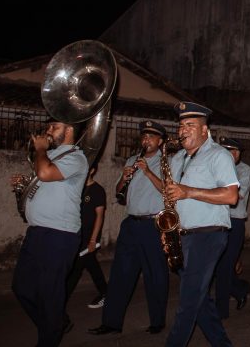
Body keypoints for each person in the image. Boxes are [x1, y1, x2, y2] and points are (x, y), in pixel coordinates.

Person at [163, 101, 239, 347]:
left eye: (190, 125)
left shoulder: (219, 155)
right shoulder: (177, 160)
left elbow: (231, 196)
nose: (183, 130)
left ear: (205, 130)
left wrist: (189, 191)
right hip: (183, 236)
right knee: (199, 299)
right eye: (181, 125)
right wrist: (168, 231)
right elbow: (173, 198)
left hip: (208, 235)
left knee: (188, 301)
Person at [10, 117, 89, 347]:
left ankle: (49, 336)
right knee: (21, 287)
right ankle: (57, 323)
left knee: (49, 296)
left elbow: (45, 174)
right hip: (37, 233)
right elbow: (43, 182)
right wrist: (24, 185)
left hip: (59, 235)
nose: (49, 130)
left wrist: (41, 151)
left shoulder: (76, 157)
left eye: (55, 127)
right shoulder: (52, 156)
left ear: (70, 129)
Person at [88, 120, 170, 336]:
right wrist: (124, 180)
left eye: (151, 137)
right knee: (120, 275)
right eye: (143, 136)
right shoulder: (133, 159)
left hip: (153, 224)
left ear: (160, 141)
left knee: (155, 274)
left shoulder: (167, 163)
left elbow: (168, 192)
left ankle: (157, 321)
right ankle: (111, 322)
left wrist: (148, 173)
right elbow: (118, 192)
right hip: (131, 224)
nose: (146, 140)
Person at [214, 136, 250, 319]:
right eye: (228, 151)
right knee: (219, 266)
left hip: (234, 222)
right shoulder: (215, 168)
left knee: (225, 266)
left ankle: (220, 310)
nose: (232, 154)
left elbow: (237, 196)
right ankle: (239, 290)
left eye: (235, 151)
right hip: (216, 221)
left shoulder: (244, 171)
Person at [65, 163, 108, 310]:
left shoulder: (98, 190)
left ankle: (60, 301)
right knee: (89, 265)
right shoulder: (78, 188)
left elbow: (100, 217)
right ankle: (106, 293)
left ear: (92, 170)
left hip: (89, 236)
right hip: (76, 234)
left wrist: (92, 240)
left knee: (77, 268)